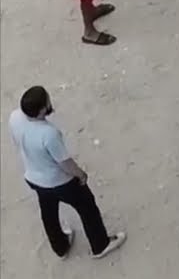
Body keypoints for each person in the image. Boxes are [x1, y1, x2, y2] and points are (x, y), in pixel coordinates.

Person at [9, 85, 126, 258]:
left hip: (34, 177)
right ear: (42, 110)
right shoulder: (48, 134)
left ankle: (60, 247)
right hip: (59, 182)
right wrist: (80, 174)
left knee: (48, 212)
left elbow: (16, 142)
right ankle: (100, 244)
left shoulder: (15, 117)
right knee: (87, 207)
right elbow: (64, 163)